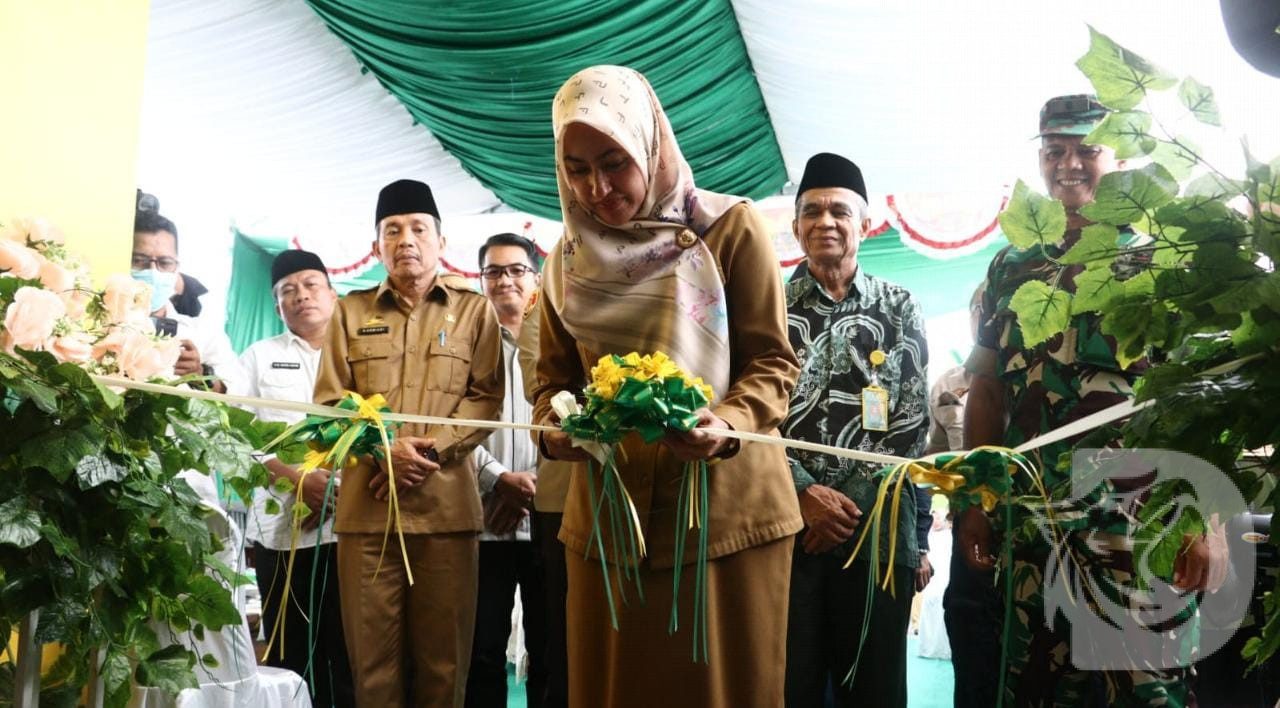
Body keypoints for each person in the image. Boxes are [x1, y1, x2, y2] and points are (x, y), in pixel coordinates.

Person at [531, 65, 802, 708]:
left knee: (721, 689)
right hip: (610, 521)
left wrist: (728, 424)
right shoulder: (563, 263)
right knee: (614, 688)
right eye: (577, 168)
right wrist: (558, 430)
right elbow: (551, 386)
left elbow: (772, 363)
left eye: (614, 162)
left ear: (649, 143)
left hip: (725, 515)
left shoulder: (727, 230)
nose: (597, 188)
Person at [961, 94, 1226, 707]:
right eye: (1055, 152)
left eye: (1088, 149)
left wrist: (1204, 517)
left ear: (1119, 155)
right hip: (1033, 520)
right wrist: (976, 496)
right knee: (1035, 689)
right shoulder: (1012, 265)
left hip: (1138, 522)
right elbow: (988, 387)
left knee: (1145, 689)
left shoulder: (1161, 257)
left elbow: (1198, 398)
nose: (1069, 165)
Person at [313, 179, 504, 708]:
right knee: (371, 668)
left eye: (419, 228)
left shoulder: (473, 311)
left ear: (441, 242)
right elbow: (330, 402)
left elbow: (486, 399)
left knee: (445, 666)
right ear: (376, 247)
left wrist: (429, 452)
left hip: (446, 515)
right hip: (367, 514)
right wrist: (383, 450)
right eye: (392, 231)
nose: (406, 240)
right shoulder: (349, 312)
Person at [779, 152, 931, 708]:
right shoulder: (766, 307)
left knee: (874, 691)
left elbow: (912, 425)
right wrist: (802, 495)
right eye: (812, 211)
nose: (826, 221)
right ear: (795, 226)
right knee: (789, 685)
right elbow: (748, 415)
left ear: (865, 224)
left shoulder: (900, 308)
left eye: (840, 211)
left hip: (877, 539)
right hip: (787, 531)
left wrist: (843, 510)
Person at [239, 249, 353, 707]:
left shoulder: (359, 355)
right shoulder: (257, 357)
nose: (301, 295)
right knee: (290, 654)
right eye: (288, 290)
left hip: (349, 531)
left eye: (310, 284)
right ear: (276, 304)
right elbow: (238, 434)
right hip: (282, 535)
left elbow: (383, 429)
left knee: (348, 654)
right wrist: (296, 480)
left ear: (331, 292)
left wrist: (337, 496)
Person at [466, 233, 547, 708]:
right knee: (482, 650)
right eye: (493, 271)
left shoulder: (559, 338)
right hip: (484, 519)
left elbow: (573, 417)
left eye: (516, 269)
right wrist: (498, 481)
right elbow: (452, 421)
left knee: (550, 647)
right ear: (482, 281)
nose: (505, 280)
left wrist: (532, 486)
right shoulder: (465, 342)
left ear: (535, 278)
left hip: (545, 517)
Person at [516, 293, 571, 708]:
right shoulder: (551, 299)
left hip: (662, 489)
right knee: (565, 637)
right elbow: (545, 390)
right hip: (569, 492)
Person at [132, 210, 242, 393]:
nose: (153, 271)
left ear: (176, 268)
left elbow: (237, 394)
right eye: (138, 260)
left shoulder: (203, 332)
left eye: (164, 263)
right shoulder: (96, 324)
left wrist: (199, 374)